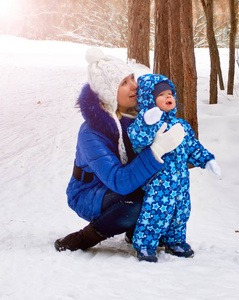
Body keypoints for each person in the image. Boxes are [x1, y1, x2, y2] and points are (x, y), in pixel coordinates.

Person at [54, 49, 185, 252]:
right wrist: (157, 149)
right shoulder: (91, 132)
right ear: (109, 93)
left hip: (128, 185)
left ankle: (136, 231)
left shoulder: (143, 116)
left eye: (132, 77)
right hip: (89, 194)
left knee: (165, 192)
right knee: (138, 203)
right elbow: (119, 181)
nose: (134, 85)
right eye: (123, 83)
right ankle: (84, 238)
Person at [127, 74, 221, 262]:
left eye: (170, 93)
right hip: (158, 183)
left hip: (181, 182)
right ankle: (145, 245)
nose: (168, 97)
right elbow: (137, 139)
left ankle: (175, 241)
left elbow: (192, 146)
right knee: (155, 213)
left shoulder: (181, 125)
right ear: (149, 99)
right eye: (161, 95)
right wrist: (147, 121)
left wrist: (207, 160)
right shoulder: (145, 125)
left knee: (181, 212)